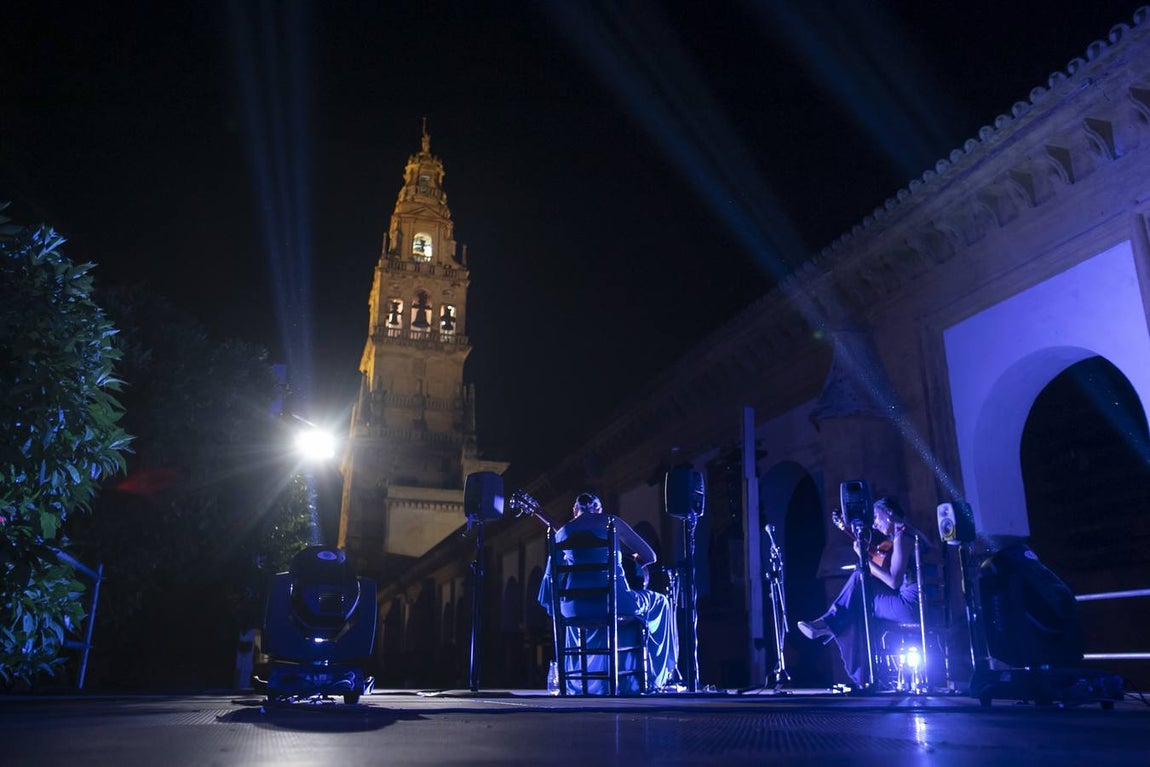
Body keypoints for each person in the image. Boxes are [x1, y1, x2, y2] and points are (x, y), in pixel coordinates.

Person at [537, 492, 678, 693]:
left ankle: (584, 682)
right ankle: (657, 677)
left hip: (575, 609)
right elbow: (651, 556)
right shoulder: (611, 522)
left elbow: (551, 581)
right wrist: (630, 557)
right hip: (614, 602)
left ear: (574, 510)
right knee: (661, 602)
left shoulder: (561, 532)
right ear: (599, 509)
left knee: (571, 613)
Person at [797, 496, 919, 687]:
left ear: (889, 513)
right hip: (911, 604)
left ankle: (862, 673)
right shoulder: (903, 536)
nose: (875, 524)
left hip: (910, 607)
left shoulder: (903, 537)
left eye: (877, 518)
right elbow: (886, 566)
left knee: (857, 598)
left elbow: (893, 581)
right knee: (858, 593)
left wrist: (864, 560)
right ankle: (833, 627)